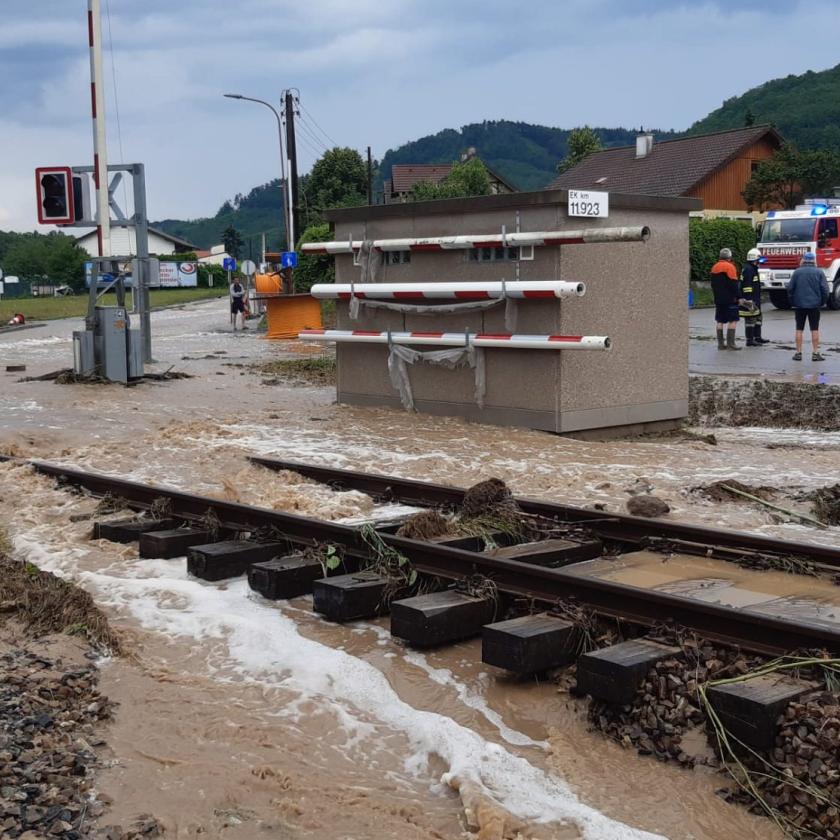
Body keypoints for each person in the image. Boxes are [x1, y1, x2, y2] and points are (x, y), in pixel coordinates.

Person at [787, 252, 829, 361]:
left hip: (799, 305)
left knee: (799, 329)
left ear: (803, 260)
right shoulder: (819, 272)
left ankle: (798, 353)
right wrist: (821, 302)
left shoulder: (797, 272)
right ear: (813, 260)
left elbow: (790, 289)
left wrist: (793, 301)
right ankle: (815, 353)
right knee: (814, 329)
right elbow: (825, 290)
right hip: (814, 305)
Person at [710, 247, 743, 350]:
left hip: (718, 299)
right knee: (733, 320)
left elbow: (713, 284)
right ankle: (731, 344)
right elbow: (734, 285)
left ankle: (720, 344)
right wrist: (739, 297)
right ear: (729, 257)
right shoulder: (730, 267)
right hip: (730, 299)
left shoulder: (714, 267)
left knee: (720, 321)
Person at [739, 248, 766, 346]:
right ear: (754, 259)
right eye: (759, 260)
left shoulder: (752, 268)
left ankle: (757, 337)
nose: (760, 262)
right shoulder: (749, 269)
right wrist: (749, 300)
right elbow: (747, 286)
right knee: (750, 319)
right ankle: (750, 340)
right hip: (750, 299)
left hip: (755, 298)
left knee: (758, 317)